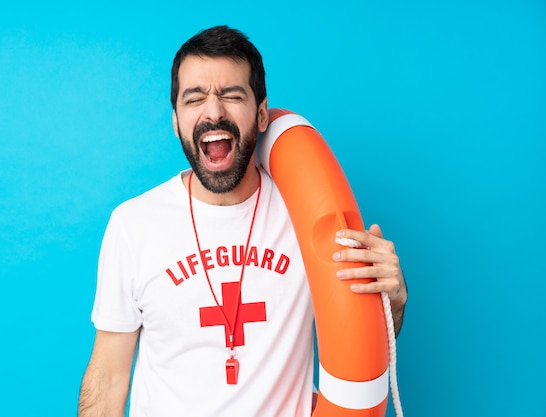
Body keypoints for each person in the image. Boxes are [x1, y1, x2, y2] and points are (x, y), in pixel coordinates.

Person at [78, 25, 408, 417]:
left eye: (232, 95)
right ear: (175, 120)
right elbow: (110, 375)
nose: (213, 111)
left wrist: (392, 303)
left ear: (262, 113)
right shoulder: (133, 225)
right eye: (194, 98)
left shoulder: (302, 215)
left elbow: (359, 345)